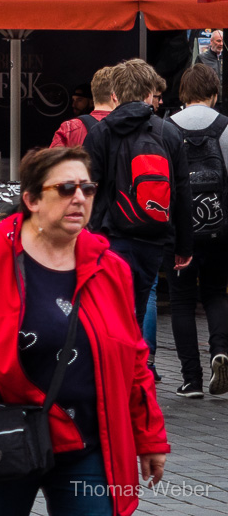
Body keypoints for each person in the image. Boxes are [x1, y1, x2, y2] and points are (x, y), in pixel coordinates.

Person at [0, 146, 169, 515]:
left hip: (89, 442)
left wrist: (150, 437)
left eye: (88, 188)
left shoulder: (110, 268)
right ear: (31, 199)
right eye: (65, 189)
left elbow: (134, 360)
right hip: (1, 433)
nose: (79, 197)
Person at [81, 58, 194, 330]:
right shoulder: (168, 133)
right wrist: (183, 246)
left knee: (105, 312)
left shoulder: (100, 133)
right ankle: (136, 365)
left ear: (114, 95)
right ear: (148, 93)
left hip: (109, 237)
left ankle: (109, 368)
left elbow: (86, 189)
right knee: (138, 310)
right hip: (152, 238)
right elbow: (181, 190)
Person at [169, 62, 228, 398]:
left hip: (179, 232)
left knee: (180, 302)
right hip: (220, 229)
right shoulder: (225, 127)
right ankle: (220, 350)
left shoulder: (165, 128)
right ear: (214, 93)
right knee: (216, 293)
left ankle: (191, 379)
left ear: (182, 94)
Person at [53, 66, 116, 148]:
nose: (74, 105)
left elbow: (52, 160)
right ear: (115, 96)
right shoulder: (129, 126)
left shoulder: (69, 128)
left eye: (79, 100)